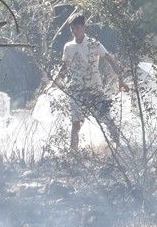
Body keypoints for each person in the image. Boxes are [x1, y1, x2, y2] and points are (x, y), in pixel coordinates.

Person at [53, 11, 127, 153]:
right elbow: (64, 68)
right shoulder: (68, 47)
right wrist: (53, 84)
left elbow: (109, 58)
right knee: (76, 122)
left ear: (84, 27)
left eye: (77, 28)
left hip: (94, 87)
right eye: (72, 28)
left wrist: (120, 79)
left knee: (105, 117)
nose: (75, 31)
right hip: (76, 88)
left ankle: (119, 145)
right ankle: (73, 153)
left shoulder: (94, 44)